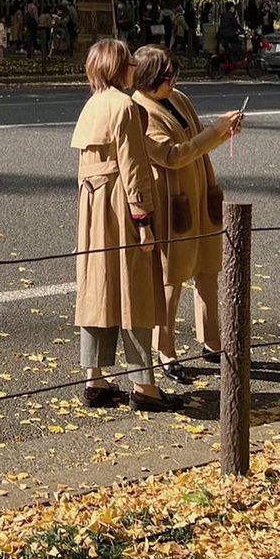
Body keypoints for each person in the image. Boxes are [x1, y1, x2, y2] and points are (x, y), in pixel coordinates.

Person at [70, 37, 180, 413]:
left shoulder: (92, 105)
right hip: (120, 207)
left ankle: (94, 378)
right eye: (130, 61)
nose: (135, 67)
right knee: (136, 291)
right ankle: (144, 386)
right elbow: (134, 171)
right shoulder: (125, 107)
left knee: (96, 290)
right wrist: (144, 220)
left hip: (92, 208)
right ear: (119, 68)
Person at [132, 45, 243, 382]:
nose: (173, 82)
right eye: (166, 77)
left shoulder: (178, 98)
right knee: (172, 276)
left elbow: (197, 141)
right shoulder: (139, 110)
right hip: (172, 199)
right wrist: (217, 132)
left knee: (208, 268)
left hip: (199, 190)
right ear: (148, 78)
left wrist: (223, 132)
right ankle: (165, 350)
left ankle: (212, 342)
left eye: (173, 75)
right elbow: (171, 155)